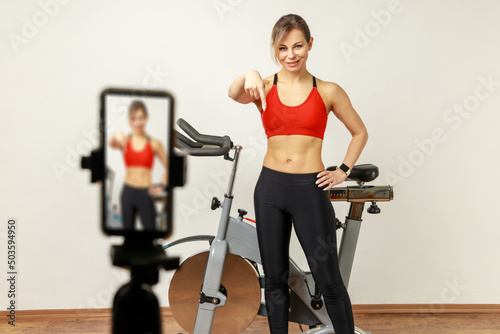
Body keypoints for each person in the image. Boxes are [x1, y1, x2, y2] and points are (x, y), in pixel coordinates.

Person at [228, 14, 368, 334]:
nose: (290, 54)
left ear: (310, 45)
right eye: (282, 48)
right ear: (275, 51)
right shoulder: (262, 87)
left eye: (297, 46)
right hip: (270, 189)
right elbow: (234, 94)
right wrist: (248, 73)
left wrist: (343, 170)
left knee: (328, 279)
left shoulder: (328, 90)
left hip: (309, 188)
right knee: (275, 279)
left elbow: (359, 132)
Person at [108, 100, 168, 231]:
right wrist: (116, 134)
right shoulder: (125, 140)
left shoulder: (154, 143)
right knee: (128, 238)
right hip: (128, 192)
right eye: (134, 119)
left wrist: (161, 186)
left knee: (150, 235)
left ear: (146, 118)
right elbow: (111, 143)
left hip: (144, 192)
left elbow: (169, 166)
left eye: (140, 118)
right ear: (130, 120)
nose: (137, 122)